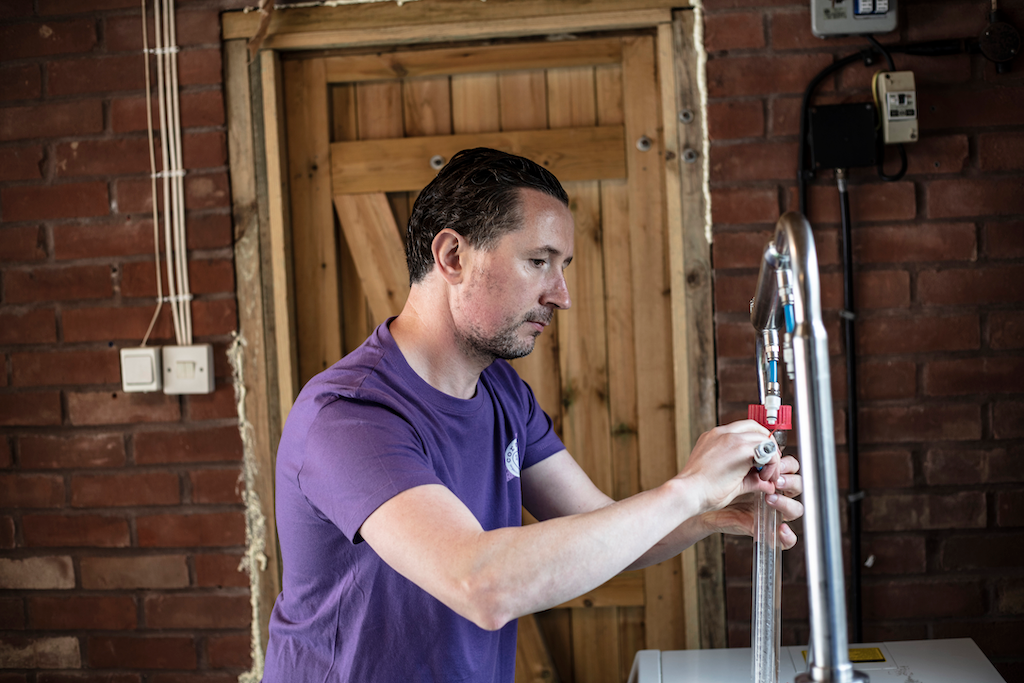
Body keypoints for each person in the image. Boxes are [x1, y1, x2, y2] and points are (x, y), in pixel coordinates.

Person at [261, 148, 803, 682]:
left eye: (562, 266)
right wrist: (686, 490)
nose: (561, 295)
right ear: (452, 257)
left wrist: (712, 514)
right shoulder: (350, 415)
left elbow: (596, 524)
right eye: (538, 262)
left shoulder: (501, 391)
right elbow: (482, 585)